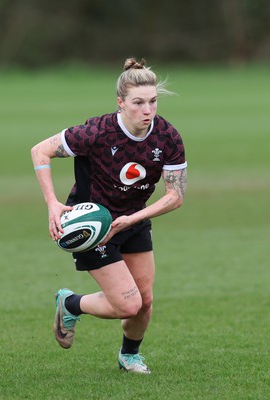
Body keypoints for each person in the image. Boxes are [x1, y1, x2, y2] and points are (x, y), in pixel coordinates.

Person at [31, 58, 187, 374]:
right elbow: (40, 151)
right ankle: (70, 303)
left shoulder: (167, 138)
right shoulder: (97, 132)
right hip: (93, 227)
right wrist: (52, 203)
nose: (148, 110)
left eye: (153, 101)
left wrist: (133, 219)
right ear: (121, 102)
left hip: (133, 220)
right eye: (138, 103)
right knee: (128, 305)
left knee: (145, 302)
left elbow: (175, 196)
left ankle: (129, 355)